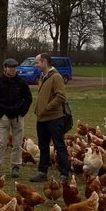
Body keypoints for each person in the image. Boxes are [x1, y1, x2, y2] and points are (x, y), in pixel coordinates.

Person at [0, 57, 32, 178]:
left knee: (17, 144)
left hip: (18, 117)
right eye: (10, 67)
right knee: (1, 143)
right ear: (5, 68)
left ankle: (15, 167)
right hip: (4, 117)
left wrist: (22, 112)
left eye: (14, 67)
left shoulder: (21, 82)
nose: (12, 69)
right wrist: (0, 114)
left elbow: (28, 98)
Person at [30, 52, 70, 183]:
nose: (36, 65)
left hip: (54, 118)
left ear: (44, 62)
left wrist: (47, 108)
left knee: (59, 146)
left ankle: (64, 174)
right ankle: (42, 172)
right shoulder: (43, 76)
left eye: (37, 62)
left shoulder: (56, 77)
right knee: (43, 146)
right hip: (42, 119)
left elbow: (61, 96)